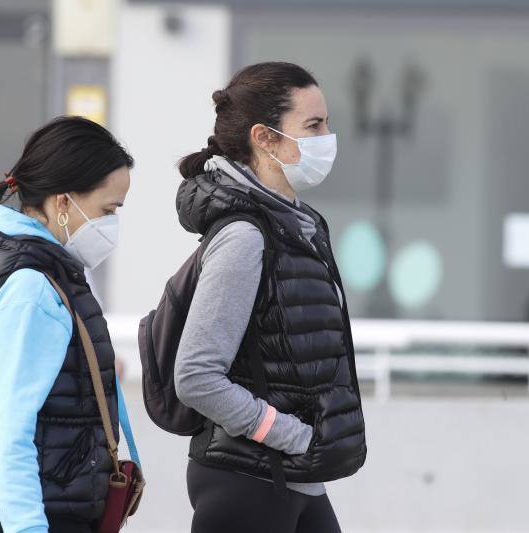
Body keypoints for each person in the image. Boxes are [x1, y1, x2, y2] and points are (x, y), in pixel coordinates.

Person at [173, 61, 367, 533]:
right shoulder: (245, 236)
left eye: (327, 123)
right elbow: (196, 376)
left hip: (296, 481)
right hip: (250, 482)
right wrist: (293, 436)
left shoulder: (298, 225)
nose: (327, 138)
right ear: (265, 138)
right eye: (314, 126)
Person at [0, 116, 135, 533]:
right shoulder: (33, 288)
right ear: (63, 202)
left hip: (28, 509)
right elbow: (9, 428)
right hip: (35, 517)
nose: (112, 223)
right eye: (108, 209)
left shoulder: (33, 272)